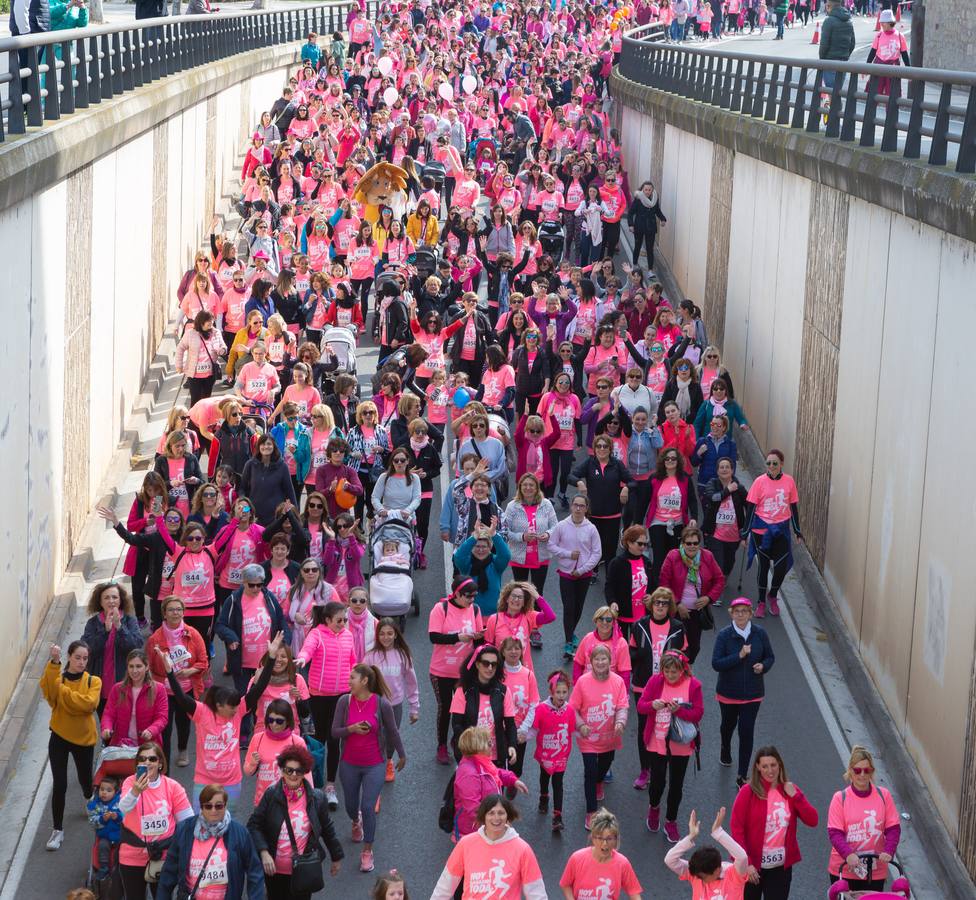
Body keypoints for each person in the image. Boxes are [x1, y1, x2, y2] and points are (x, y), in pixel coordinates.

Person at [156, 631, 283, 811]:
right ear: (218, 704)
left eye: (235, 705)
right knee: (202, 824)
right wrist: (169, 671)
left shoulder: (239, 710)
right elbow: (181, 698)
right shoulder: (202, 712)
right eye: (230, 706)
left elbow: (259, 688)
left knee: (226, 823)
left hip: (232, 783)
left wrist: (271, 657)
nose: (234, 709)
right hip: (204, 782)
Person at [332, 664, 406, 873]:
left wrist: (402, 754)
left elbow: (392, 731)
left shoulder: (381, 704)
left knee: (368, 806)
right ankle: (356, 822)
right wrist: (352, 729)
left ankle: (367, 851)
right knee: (350, 805)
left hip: (375, 764)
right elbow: (334, 732)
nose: (349, 682)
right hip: (349, 763)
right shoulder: (344, 702)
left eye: (352, 678)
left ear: (365, 681)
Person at [247, 745, 344, 900]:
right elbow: (254, 825)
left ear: (305, 772)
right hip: (274, 871)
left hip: (303, 869)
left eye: (298, 771)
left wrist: (336, 856)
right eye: (289, 770)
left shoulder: (317, 798)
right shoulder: (271, 795)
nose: (293, 774)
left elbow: (327, 828)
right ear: (282, 770)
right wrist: (264, 852)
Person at [730, 746, 819, 899]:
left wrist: (797, 797)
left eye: (773, 765)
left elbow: (813, 820)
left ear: (779, 764)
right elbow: (737, 830)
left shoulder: (790, 790)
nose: (770, 770)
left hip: (780, 869)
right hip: (752, 868)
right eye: (764, 766)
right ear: (757, 767)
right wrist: (747, 863)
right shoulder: (747, 792)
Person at [295, 600, 357, 810]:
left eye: (345, 620)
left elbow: (353, 661)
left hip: (341, 697)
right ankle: (313, 784)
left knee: (334, 740)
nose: (343, 624)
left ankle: (330, 786)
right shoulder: (317, 635)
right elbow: (307, 650)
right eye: (339, 620)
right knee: (318, 740)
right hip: (319, 696)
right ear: (328, 620)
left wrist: (358, 678)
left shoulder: (348, 636)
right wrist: (302, 659)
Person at [637, 650, 704, 842]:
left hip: (680, 744)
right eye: (667, 671)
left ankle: (671, 821)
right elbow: (641, 706)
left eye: (675, 671)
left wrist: (680, 711)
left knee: (676, 785)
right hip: (657, 741)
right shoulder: (654, 682)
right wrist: (653, 705)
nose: (670, 675)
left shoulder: (694, 685)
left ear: (683, 669)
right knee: (658, 782)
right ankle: (654, 808)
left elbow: (698, 714)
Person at [156, 783, 266, 900]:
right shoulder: (185, 830)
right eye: (208, 806)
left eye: (218, 806)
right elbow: (168, 873)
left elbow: (255, 872)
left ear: (225, 805)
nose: (213, 811)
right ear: (201, 807)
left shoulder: (240, 833)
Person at [115, 740, 194, 899]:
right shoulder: (130, 782)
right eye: (142, 759)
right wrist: (136, 791)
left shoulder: (172, 786)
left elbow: (188, 823)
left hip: (163, 856)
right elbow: (122, 811)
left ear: (160, 763)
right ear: (137, 764)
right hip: (132, 855)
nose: (147, 762)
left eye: (152, 759)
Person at [429, 795, 546, 900]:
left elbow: (536, 893)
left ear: (508, 816)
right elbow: (445, 886)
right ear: (483, 816)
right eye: (491, 813)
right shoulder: (466, 844)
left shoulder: (522, 849)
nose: (496, 818)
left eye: (501, 813)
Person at [42, 640, 100, 851]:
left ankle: (88, 798)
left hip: (83, 739)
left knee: (86, 780)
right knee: (60, 784)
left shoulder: (94, 681)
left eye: (85, 658)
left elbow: (87, 705)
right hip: (58, 735)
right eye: (77, 657)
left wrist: (62, 692)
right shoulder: (58, 677)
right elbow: (49, 695)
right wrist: (53, 664)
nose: (81, 662)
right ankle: (57, 830)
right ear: (68, 656)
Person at [628, 587, 687, 789]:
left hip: (669, 685)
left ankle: (661, 765)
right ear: (651, 604)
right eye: (657, 602)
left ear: (670, 606)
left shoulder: (678, 627)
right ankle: (645, 770)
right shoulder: (639, 625)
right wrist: (642, 656)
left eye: (664, 603)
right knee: (645, 728)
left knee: (666, 726)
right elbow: (631, 653)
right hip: (643, 686)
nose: (660, 606)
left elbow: (684, 658)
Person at [712, 598, 775, 785]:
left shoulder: (760, 634)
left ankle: (742, 775)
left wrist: (763, 666)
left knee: (746, 732)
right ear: (731, 613)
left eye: (744, 611)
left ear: (750, 613)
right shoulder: (724, 636)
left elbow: (770, 657)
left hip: (753, 695)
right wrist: (738, 656)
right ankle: (725, 747)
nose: (740, 614)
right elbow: (716, 664)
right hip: (728, 694)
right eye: (736, 611)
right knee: (727, 726)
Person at [146, 596, 209, 769]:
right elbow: (149, 666)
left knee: (184, 723)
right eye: (171, 610)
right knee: (164, 727)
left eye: (179, 609)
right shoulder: (155, 639)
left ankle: (183, 749)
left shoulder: (193, 634)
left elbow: (203, 661)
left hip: (186, 689)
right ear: (164, 614)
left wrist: (190, 671)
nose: (176, 613)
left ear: (183, 612)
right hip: (164, 691)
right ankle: (163, 759)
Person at [570, 644, 629, 830]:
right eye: (597, 659)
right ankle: (591, 811)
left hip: (609, 737)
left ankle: (599, 781)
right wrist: (581, 725)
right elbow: (573, 708)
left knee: (604, 765)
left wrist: (620, 722)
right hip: (588, 738)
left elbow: (622, 706)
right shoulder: (582, 682)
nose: (601, 662)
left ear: (610, 662)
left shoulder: (618, 681)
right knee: (590, 770)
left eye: (604, 659)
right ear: (591, 662)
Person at [827, 746, 901, 892]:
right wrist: (848, 855)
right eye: (857, 770)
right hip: (844, 869)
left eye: (866, 770)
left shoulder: (883, 795)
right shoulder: (839, 798)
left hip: (874, 871)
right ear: (850, 771)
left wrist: (889, 850)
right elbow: (835, 833)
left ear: (872, 771)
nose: (862, 775)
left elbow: (893, 828)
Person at [742, 449, 802, 618]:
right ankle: (761, 602)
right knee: (763, 566)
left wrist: (797, 530)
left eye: (775, 463)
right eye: (768, 463)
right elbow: (751, 508)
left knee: (781, 567)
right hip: (761, 530)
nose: (771, 466)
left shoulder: (789, 481)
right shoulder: (759, 482)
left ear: (781, 464)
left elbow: (794, 507)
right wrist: (745, 532)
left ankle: (773, 595)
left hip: (781, 530)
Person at [363, 618, 420, 782]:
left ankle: (387, 761)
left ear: (396, 634)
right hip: (373, 704)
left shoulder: (403, 655)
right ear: (377, 635)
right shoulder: (370, 656)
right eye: (381, 633)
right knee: (374, 735)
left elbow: (411, 682)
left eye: (389, 633)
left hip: (394, 705)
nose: (385, 637)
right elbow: (361, 680)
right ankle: (374, 763)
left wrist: (414, 708)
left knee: (391, 736)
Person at [658, 524, 725, 663]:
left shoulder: (707, 557)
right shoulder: (673, 556)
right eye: (688, 543)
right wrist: (676, 603)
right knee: (675, 646)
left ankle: (687, 670)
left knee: (694, 647)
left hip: (697, 613)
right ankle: (673, 674)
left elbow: (719, 580)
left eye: (696, 543)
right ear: (682, 543)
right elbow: (664, 583)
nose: (692, 546)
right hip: (676, 612)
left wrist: (708, 598)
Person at [547, 495, 603, 657]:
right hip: (566, 573)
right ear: (571, 506)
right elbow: (551, 544)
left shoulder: (591, 528)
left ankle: (571, 633)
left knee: (578, 608)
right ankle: (568, 641)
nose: (578, 509)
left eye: (581, 506)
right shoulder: (562, 525)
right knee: (569, 607)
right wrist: (567, 554)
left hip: (583, 574)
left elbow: (597, 552)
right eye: (575, 505)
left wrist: (584, 568)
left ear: (586, 509)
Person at [572, 435, 632, 575]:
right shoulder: (589, 463)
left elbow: (632, 481)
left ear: (610, 449)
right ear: (594, 448)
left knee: (610, 548)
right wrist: (579, 482)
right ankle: (592, 571)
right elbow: (572, 476)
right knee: (592, 547)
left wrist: (626, 488)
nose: (602, 449)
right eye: (599, 446)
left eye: (605, 446)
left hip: (613, 514)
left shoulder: (617, 464)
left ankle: (610, 576)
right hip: (594, 514)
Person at [450, 643, 517, 769]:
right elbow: (457, 724)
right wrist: (472, 745)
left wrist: (512, 745)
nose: (490, 668)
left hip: (496, 756)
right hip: (470, 755)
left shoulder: (503, 691)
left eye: (494, 664)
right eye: (486, 663)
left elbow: (510, 724)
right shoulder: (462, 691)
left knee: (496, 788)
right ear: (477, 664)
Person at [81, 581, 144, 715]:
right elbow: (87, 652)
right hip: (101, 687)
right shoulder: (93, 623)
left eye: (115, 597)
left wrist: (120, 627)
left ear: (121, 600)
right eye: (106, 597)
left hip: (125, 685)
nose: (111, 601)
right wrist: (105, 630)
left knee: (125, 726)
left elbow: (135, 647)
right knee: (106, 729)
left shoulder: (129, 621)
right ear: (100, 601)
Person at [453, 726, 528, 839]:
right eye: (489, 743)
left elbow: (496, 773)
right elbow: (473, 808)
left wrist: (513, 780)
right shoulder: (469, 774)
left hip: (487, 827)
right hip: (474, 833)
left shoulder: (481, 762)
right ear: (478, 746)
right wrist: (497, 820)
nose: (492, 746)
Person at [559, 808, 643, 900]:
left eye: (609, 838)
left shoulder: (622, 864)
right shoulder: (577, 858)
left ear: (616, 840)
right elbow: (565, 884)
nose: (604, 844)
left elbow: (634, 893)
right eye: (600, 838)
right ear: (593, 838)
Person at [665, 809, 750, 895]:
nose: (699, 879)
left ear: (717, 870)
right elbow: (669, 860)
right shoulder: (697, 872)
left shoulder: (734, 875)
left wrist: (719, 833)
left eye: (703, 877)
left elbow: (742, 857)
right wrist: (690, 837)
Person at [502, 474, 558, 596]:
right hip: (519, 556)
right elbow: (505, 531)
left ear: (537, 488)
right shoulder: (512, 506)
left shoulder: (546, 504)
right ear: (520, 487)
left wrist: (548, 534)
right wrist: (522, 537)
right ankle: (522, 615)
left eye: (531, 485)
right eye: (525, 485)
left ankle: (537, 615)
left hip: (541, 555)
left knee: (537, 593)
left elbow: (555, 526)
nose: (528, 487)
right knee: (520, 593)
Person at [101, 649, 169, 749]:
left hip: (148, 746)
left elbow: (162, 717)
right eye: (131, 666)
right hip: (121, 745)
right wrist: (106, 727)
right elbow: (109, 714)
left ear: (146, 667)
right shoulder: (117, 689)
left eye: (138, 666)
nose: (134, 671)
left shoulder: (159, 689)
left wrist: (152, 730)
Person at [605, 525, 654, 639]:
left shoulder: (647, 562)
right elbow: (609, 586)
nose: (643, 547)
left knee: (639, 651)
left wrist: (651, 596)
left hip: (643, 615)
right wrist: (612, 602)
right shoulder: (617, 563)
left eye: (645, 544)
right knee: (623, 650)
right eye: (640, 543)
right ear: (629, 543)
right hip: (623, 614)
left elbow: (653, 584)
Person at [453, 526, 513, 618]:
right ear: (472, 547)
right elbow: (458, 556)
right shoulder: (466, 564)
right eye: (477, 546)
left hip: (494, 615)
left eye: (484, 546)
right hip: (470, 614)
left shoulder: (496, 563)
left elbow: (506, 555)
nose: (480, 550)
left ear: (489, 547)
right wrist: (473, 538)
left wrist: (494, 535)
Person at [241, 434, 298, 526]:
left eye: (269, 444)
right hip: (254, 516)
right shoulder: (250, 465)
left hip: (275, 517)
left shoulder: (282, 466)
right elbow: (242, 489)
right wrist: (244, 504)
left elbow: (290, 492)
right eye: (262, 444)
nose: (266, 447)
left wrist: (295, 515)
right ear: (258, 446)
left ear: (274, 446)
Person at [86, 775, 122, 890]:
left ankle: (119, 868)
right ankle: (104, 868)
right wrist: (102, 819)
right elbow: (92, 821)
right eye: (102, 789)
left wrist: (117, 817)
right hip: (104, 836)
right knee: (102, 847)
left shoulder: (120, 802)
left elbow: (127, 818)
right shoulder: (95, 805)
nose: (104, 793)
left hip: (119, 835)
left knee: (121, 850)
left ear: (116, 792)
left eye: (108, 790)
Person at [627, 180, 666, 267]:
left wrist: (663, 219)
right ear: (642, 190)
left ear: (652, 190)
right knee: (637, 246)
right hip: (639, 226)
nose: (647, 191)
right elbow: (630, 213)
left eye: (649, 190)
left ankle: (650, 270)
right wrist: (631, 225)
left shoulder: (655, 198)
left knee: (650, 249)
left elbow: (657, 210)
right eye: (646, 190)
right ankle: (635, 265)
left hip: (650, 227)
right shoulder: (638, 199)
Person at [818, 0, 855, 93]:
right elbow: (852, 43)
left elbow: (824, 44)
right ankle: (837, 107)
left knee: (829, 92)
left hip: (829, 61)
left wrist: (822, 59)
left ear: (828, 6)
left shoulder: (829, 21)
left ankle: (833, 107)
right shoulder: (848, 20)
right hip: (843, 61)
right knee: (838, 92)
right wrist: (846, 55)